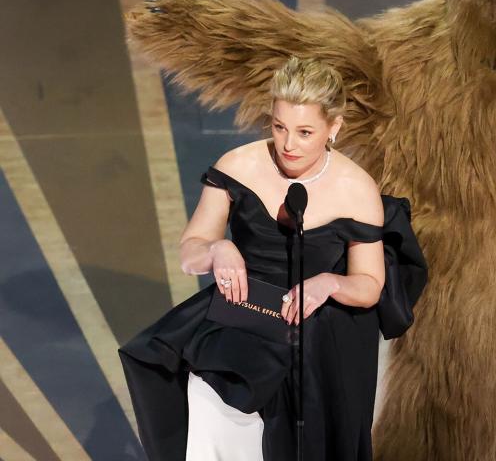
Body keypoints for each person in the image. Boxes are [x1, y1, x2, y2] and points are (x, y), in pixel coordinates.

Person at [119, 56, 424, 460]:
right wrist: (217, 248)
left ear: (334, 128)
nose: (288, 144)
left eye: (305, 132)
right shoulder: (238, 166)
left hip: (317, 326)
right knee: (211, 410)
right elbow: (190, 252)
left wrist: (330, 283)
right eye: (279, 127)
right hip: (246, 315)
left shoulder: (356, 189)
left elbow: (368, 287)